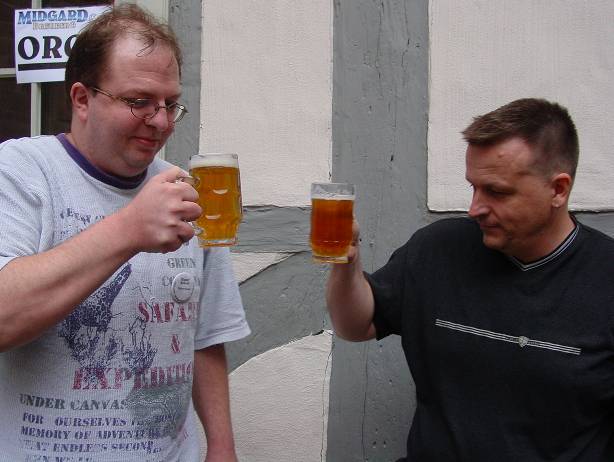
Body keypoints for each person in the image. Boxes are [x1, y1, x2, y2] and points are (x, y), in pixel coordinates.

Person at [0, 4, 249, 462]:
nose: (161, 122)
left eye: (170, 103)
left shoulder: (187, 191)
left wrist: (222, 445)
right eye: (139, 101)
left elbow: (204, 336)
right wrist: (128, 229)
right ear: (81, 99)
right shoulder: (21, 171)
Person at [327, 98, 614, 461]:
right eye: (473, 187)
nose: (474, 208)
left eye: (496, 191)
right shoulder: (438, 248)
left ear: (558, 189)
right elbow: (355, 325)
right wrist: (346, 262)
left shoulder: (605, 276)